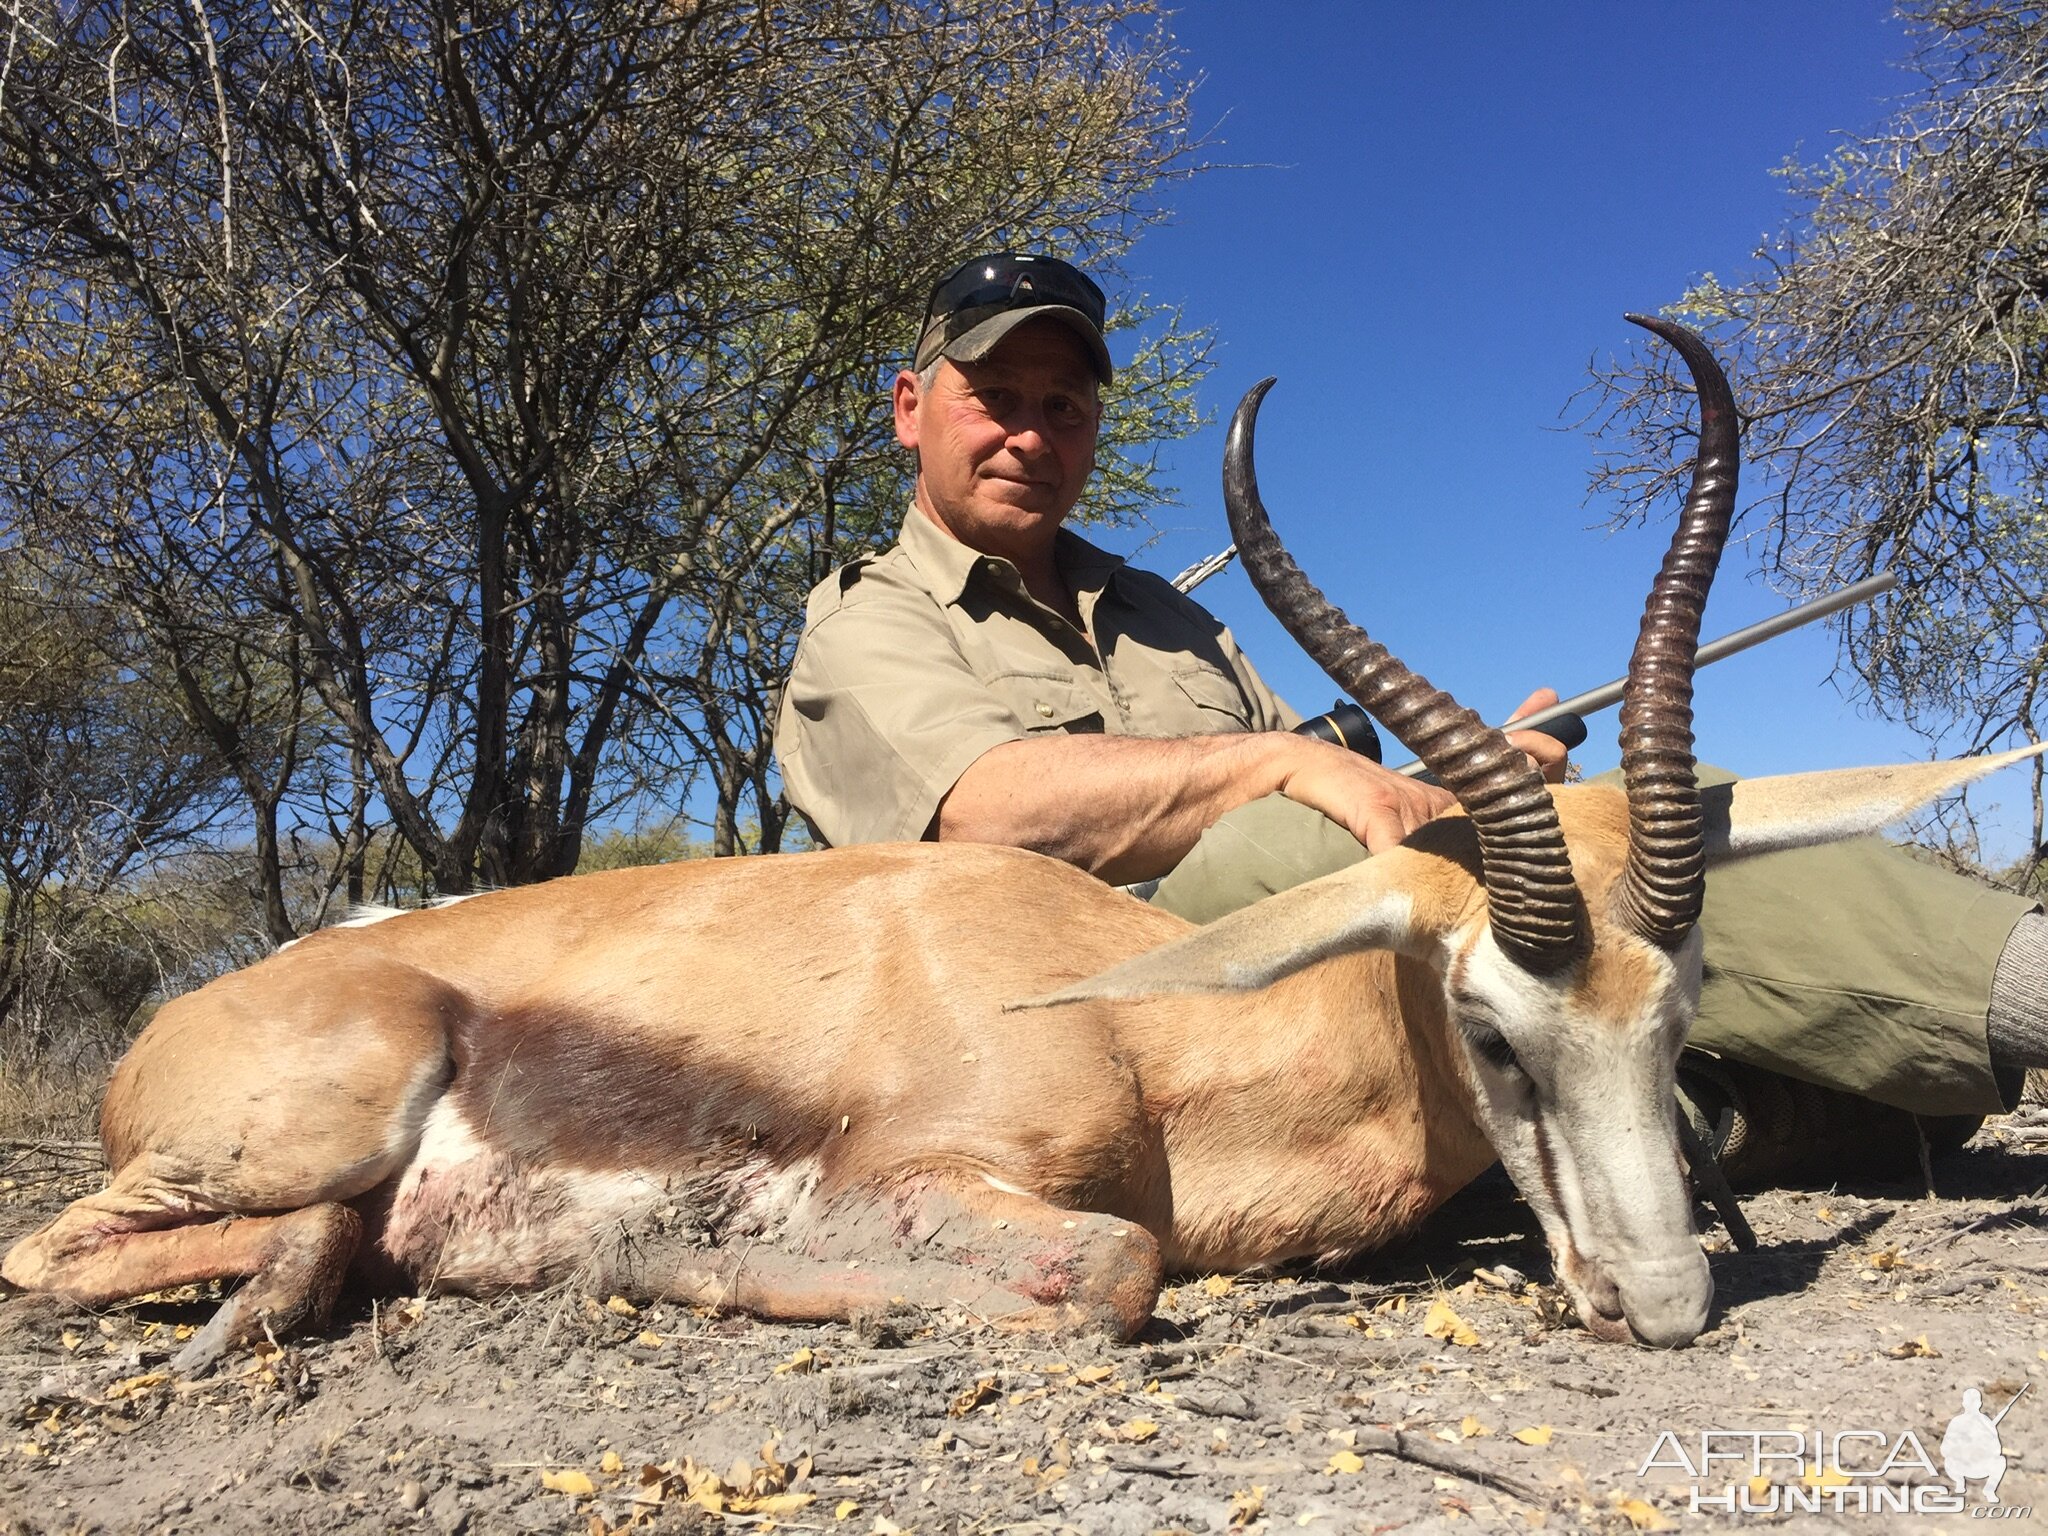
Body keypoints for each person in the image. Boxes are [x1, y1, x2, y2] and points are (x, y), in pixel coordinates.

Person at [774, 250, 2048, 1183]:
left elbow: (1340, 790)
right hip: (1076, 1004)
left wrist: (1476, 776)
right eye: (995, 396)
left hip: (1299, 968)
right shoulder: (863, 617)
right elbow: (986, 814)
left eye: (1064, 407)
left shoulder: (1161, 609)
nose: (1029, 434)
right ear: (910, 409)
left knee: (1629, 806)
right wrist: (1287, 767)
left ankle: (1895, 1049)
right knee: (1354, 840)